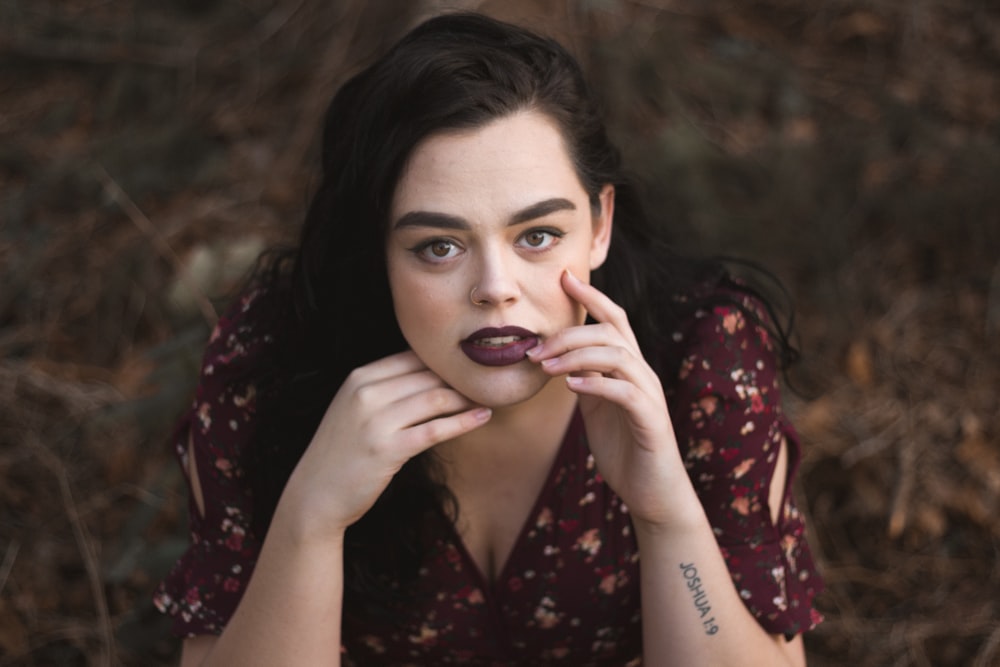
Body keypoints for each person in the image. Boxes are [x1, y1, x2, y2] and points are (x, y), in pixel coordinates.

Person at [153, 11, 823, 666]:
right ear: (376, 249)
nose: (495, 288)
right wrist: (312, 516)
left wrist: (666, 513)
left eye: (537, 236)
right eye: (439, 246)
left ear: (599, 224)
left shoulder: (701, 357)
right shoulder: (271, 361)